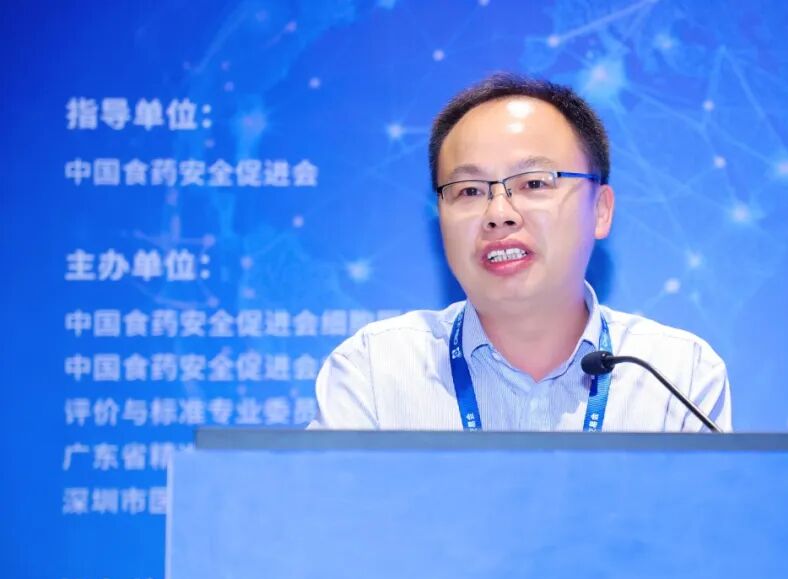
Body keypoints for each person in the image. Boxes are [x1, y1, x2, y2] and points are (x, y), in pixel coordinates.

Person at [309, 73, 731, 432]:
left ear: (600, 211)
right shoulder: (373, 373)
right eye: (468, 191)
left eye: (533, 183)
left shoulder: (677, 375)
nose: (498, 214)